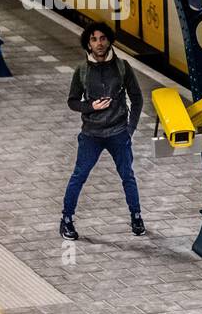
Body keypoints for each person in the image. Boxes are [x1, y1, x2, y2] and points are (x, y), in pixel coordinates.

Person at [60, 22, 146, 239]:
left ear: (109, 41)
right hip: (91, 135)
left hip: (118, 133)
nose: (99, 43)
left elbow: (137, 99)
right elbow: (72, 101)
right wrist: (90, 107)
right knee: (79, 176)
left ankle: (136, 217)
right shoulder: (81, 70)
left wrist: (130, 129)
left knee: (128, 176)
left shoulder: (122, 67)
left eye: (102, 38)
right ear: (88, 44)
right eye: (93, 39)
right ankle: (66, 220)